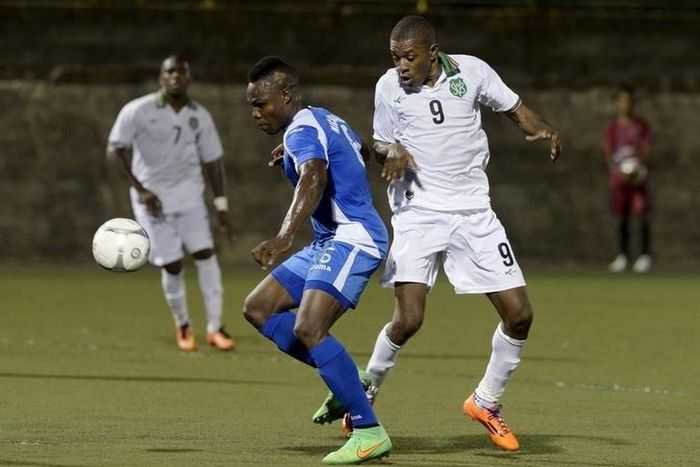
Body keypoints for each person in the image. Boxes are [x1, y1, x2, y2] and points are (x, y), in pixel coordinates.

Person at [316, 16, 562, 453]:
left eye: (409, 57)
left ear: (433, 51)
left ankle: (485, 401)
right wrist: (391, 151)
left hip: (473, 212)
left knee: (520, 315)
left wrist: (541, 127)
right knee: (409, 320)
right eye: (395, 57)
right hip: (418, 212)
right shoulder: (388, 88)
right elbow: (378, 144)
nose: (401, 66)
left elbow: (514, 108)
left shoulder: (472, 71)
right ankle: (362, 396)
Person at [241, 56, 392, 465]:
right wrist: (290, 152)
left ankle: (368, 430)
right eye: (251, 105)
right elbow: (356, 148)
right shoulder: (321, 119)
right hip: (331, 240)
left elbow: (314, 176)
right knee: (258, 308)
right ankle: (349, 383)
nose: (256, 113)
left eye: (262, 103)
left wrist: (285, 235)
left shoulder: (303, 130)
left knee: (309, 326)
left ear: (286, 96)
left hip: (354, 238)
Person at [107, 55, 235, 352]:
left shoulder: (199, 115)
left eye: (182, 72)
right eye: (170, 71)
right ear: (161, 77)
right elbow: (115, 150)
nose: (176, 76)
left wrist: (222, 208)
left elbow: (213, 162)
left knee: (206, 254)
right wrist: (140, 190)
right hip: (153, 202)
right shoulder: (137, 110)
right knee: (173, 264)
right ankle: (183, 323)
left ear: (189, 78)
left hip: (190, 196)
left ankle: (215, 327)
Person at [604, 85, 652, 273]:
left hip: (637, 176)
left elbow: (646, 149)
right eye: (623, 101)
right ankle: (623, 256)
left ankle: (644, 256)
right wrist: (618, 170)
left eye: (629, 101)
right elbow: (608, 152)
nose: (626, 105)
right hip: (620, 177)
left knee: (641, 215)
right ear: (618, 103)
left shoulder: (641, 126)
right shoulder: (613, 128)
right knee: (622, 216)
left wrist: (637, 168)